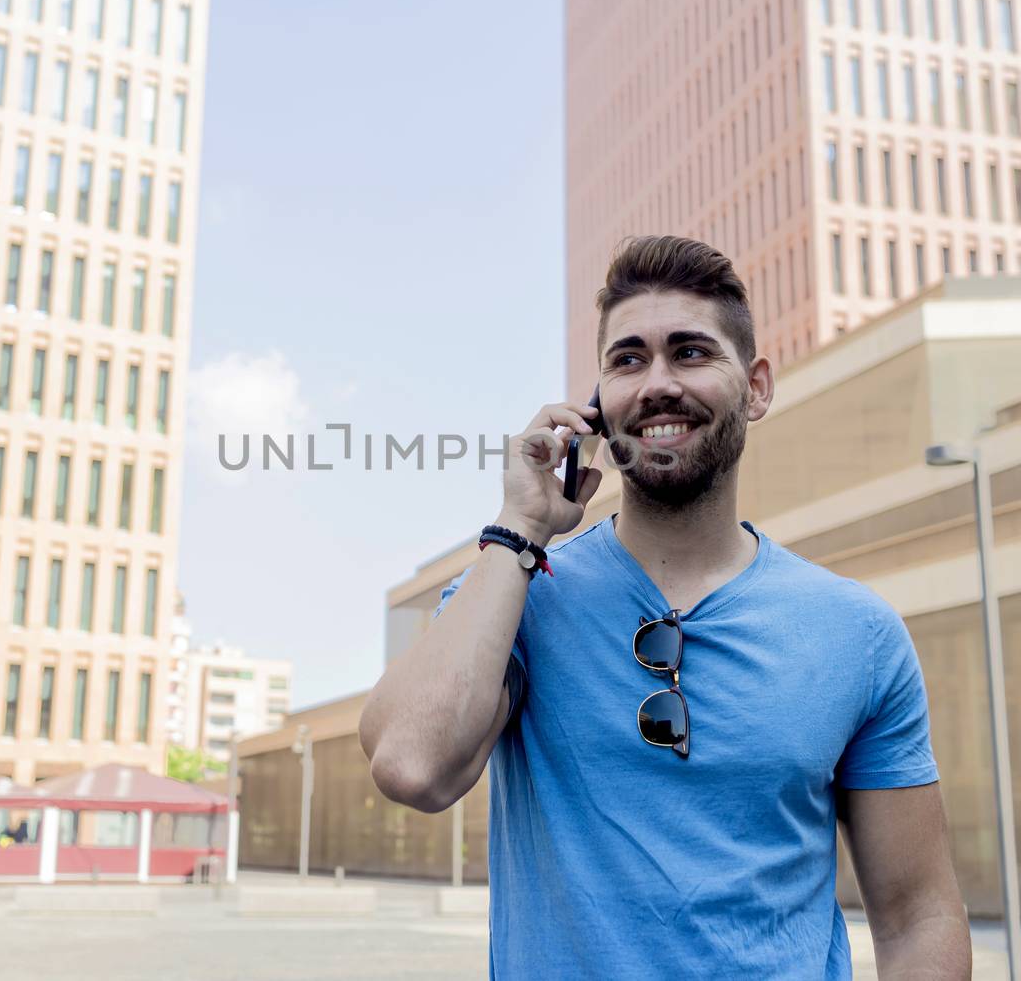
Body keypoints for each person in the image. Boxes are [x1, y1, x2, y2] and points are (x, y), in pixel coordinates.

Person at [359, 236, 970, 978]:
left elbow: (919, 918)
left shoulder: (859, 632)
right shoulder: (517, 587)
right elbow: (412, 766)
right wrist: (519, 529)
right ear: (594, 407)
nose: (656, 384)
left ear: (757, 387)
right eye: (627, 360)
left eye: (690, 353)